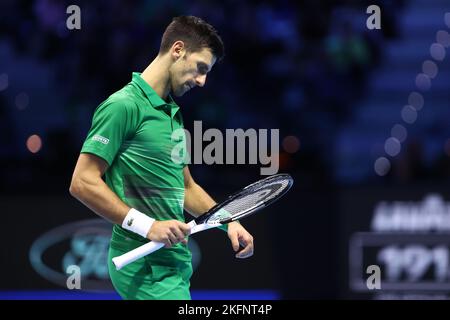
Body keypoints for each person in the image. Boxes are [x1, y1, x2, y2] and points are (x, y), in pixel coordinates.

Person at [69, 16, 254, 300]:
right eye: (201, 68)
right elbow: (82, 182)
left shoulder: (172, 115)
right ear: (178, 50)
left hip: (173, 262)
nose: (203, 81)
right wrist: (149, 226)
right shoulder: (123, 106)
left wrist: (229, 222)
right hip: (145, 266)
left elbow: (187, 188)